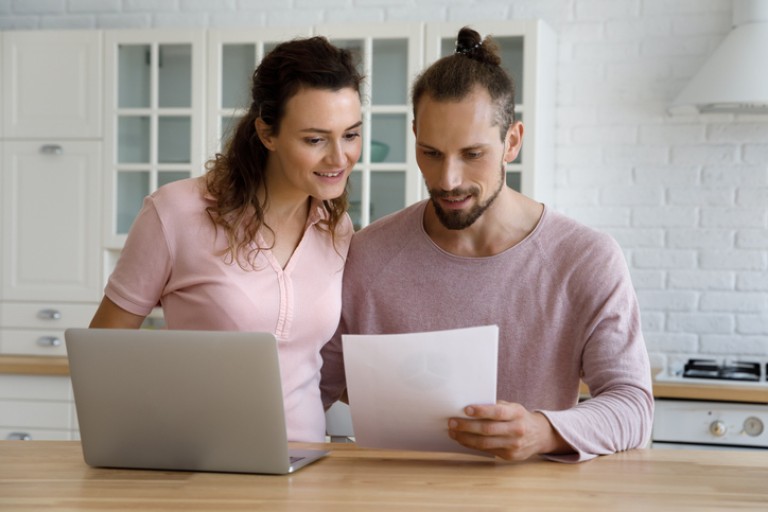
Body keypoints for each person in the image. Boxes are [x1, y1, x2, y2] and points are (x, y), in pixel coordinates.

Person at [320, 27, 653, 462]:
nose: (447, 180)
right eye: (431, 153)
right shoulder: (367, 254)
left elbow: (633, 406)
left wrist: (543, 430)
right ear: (415, 136)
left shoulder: (585, 259)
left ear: (511, 141)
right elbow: (312, 387)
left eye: (472, 154)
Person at [89, 36, 364, 443]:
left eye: (351, 135)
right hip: (197, 468)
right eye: (315, 139)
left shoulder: (336, 228)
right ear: (267, 133)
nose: (339, 158)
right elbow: (101, 354)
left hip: (307, 469)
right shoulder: (175, 213)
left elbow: (319, 367)